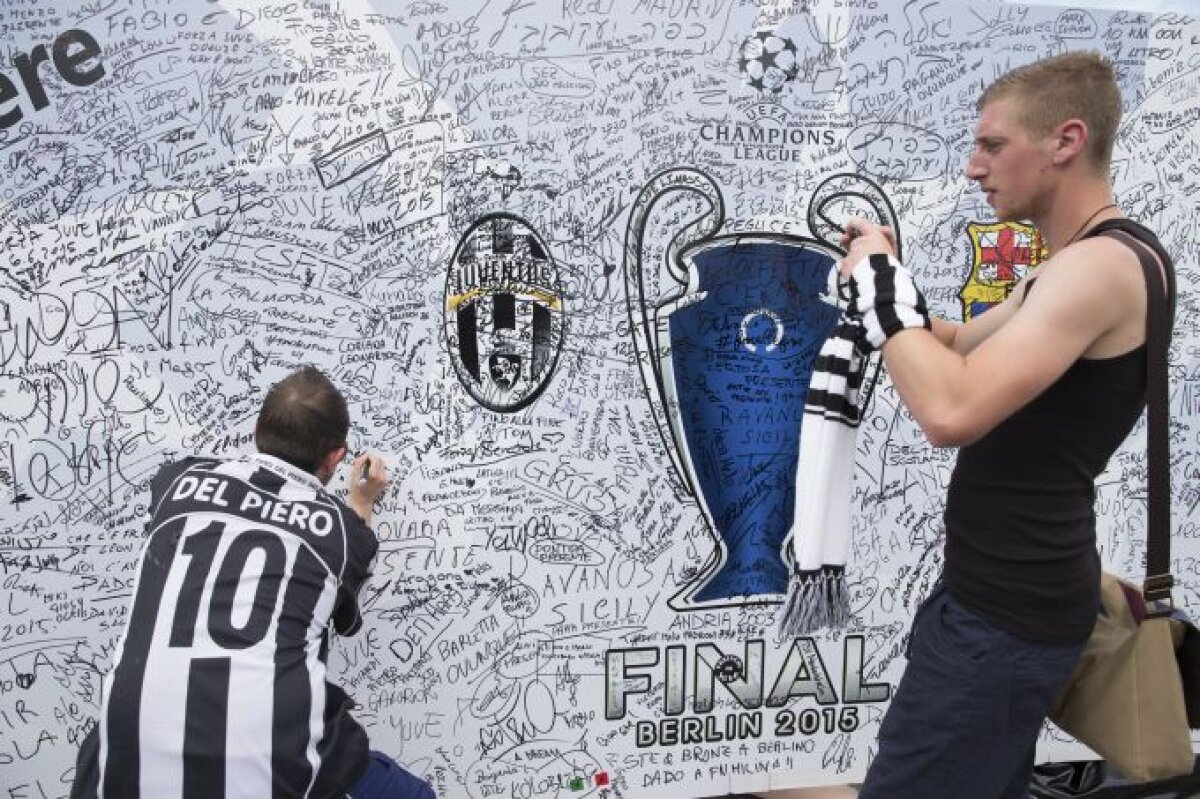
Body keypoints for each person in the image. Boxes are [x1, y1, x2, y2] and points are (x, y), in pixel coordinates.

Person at [836, 52, 1175, 797]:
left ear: (1066, 141)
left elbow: (950, 409)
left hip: (1002, 617)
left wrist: (882, 289)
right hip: (997, 600)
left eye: (993, 145)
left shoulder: (1098, 269)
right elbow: (958, 345)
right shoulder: (1079, 263)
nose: (973, 168)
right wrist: (881, 281)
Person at [70, 366, 434, 799]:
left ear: (258, 429)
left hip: (127, 751)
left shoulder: (175, 482)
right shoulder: (341, 531)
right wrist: (361, 502)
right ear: (335, 458)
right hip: (270, 751)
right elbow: (345, 614)